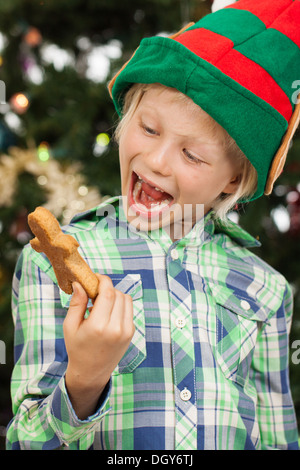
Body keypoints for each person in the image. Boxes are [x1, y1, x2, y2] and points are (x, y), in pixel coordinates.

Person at [6, 0, 300, 450]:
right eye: (148, 128)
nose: (156, 161)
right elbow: (25, 442)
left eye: (192, 154)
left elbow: (278, 440)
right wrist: (85, 378)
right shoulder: (50, 261)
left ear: (234, 180)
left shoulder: (267, 290)